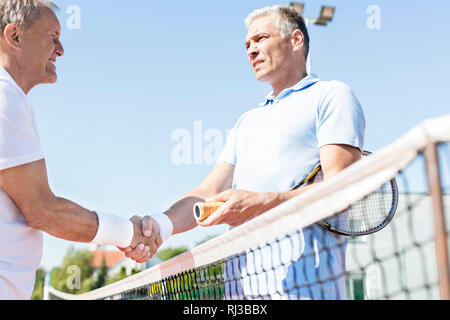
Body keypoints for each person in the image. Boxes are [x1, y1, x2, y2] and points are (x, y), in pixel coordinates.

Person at [125, 5, 366, 299]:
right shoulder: (247, 121)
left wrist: (260, 204)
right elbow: (208, 191)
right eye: (247, 44)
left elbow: (340, 191)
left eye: (261, 39)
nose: (251, 50)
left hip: (310, 292)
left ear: (296, 40)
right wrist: (157, 226)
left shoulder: (331, 95)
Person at [0, 0, 169, 300]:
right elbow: (42, 210)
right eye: (52, 37)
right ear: (14, 37)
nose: (61, 49)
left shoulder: (12, 99)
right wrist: (127, 233)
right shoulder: (4, 97)